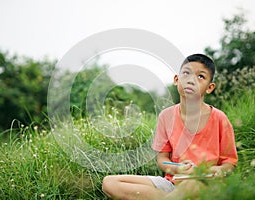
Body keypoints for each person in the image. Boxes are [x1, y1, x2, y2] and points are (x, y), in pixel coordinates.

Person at [102, 54, 238, 200]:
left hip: (204, 183)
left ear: (209, 88)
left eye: (200, 76)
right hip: (172, 183)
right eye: (186, 73)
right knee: (109, 183)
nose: (191, 80)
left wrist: (213, 171)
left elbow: (230, 163)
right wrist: (176, 168)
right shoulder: (166, 117)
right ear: (176, 79)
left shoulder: (219, 118)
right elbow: (162, 159)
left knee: (190, 185)